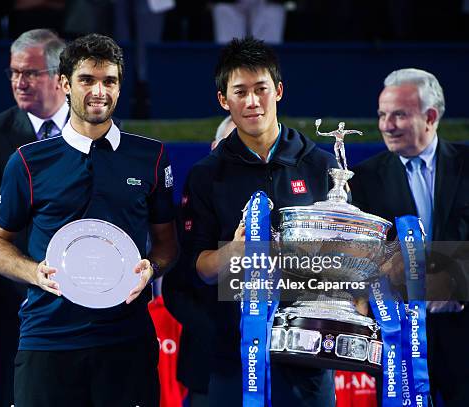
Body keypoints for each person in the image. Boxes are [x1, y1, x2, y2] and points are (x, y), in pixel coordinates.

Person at [0, 33, 177, 407]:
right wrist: (33, 271)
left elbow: (167, 245)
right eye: (87, 80)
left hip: (126, 340)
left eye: (110, 81)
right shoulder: (27, 161)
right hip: (47, 340)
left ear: (120, 87)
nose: (99, 91)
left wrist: (151, 268)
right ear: (65, 84)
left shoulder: (151, 157)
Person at [183, 37, 338, 406]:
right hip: (231, 360)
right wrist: (235, 252)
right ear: (224, 100)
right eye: (240, 92)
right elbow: (196, 269)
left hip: (308, 357)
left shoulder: (321, 166)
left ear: (279, 91)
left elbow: (347, 259)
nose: (252, 102)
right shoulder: (206, 175)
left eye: (261, 89)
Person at [349, 68, 469, 406]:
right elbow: (362, 259)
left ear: (430, 117)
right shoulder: (364, 180)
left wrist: (456, 281)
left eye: (398, 115)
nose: (387, 125)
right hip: (398, 341)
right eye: (382, 115)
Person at [0, 28, 67, 407]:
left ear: (60, 76)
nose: (19, 82)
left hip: (80, 301)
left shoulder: (96, 129)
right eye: (13, 73)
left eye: (30, 73)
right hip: (12, 302)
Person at [162, 115, 235, 407]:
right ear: (214, 147)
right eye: (229, 145)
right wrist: (217, 333)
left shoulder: (271, 212)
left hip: (272, 363)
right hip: (210, 365)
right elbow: (175, 289)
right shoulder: (187, 213)